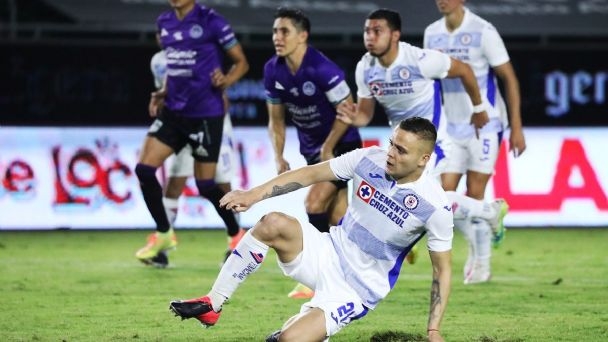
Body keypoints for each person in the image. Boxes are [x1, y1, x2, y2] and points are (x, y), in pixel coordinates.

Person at [169, 117, 453, 342]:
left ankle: (306, 329)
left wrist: (433, 331)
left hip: (357, 288)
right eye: (392, 143)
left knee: (290, 339)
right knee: (272, 223)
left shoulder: (434, 207)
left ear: (423, 159)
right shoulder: (370, 159)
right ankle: (213, 303)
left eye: (401, 150)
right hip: (328, 250)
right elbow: (310, 174)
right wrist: (254, 194)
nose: (391, 153)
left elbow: (442, 271)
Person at [336, 8, 508, 284]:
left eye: (377, 30)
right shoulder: (365, 68)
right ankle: (485, 213)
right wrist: (353, 117)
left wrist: (478, 107)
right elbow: (366, 114)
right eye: (367, 30)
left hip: (434, 144)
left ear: (395, 35)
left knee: (434, 202)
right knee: (422, 203)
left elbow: (463, 69)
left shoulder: (419, 59)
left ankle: (487, 213)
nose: (370, 36)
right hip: (402, 147)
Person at [134, 0, 249, 265]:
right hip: (174, 113)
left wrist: (227, 81)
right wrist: (163, 92)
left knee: (207, 185)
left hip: (206, 116)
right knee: (144, 170)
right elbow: (174, 65)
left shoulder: (212, 21)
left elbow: (241, 62)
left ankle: (236, 234)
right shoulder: (164, 22)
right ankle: (164, 234)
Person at [424, 0, 526, 284]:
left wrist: (516, 125)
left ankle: (481, 263)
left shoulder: (483, 31)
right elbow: (433, 80)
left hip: (486, 123)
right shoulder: (431, 33)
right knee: (442, 198)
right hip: (451, 126)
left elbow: (509, 77)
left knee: (474, 191)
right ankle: (489, 218)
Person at [264, 7, 363, 298]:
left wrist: (330, 146)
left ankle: (315, 277)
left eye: (284, 31)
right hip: (314, 152)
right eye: (274, 31)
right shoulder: (273, 70)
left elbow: (348, 111)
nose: (277, 37)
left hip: (342, 146)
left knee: (314, 203)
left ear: (302, 36)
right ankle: (359, 266)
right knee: (337, 219)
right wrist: (278, 155)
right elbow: (276, 119)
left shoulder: (322, 69)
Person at [149, 45, 244, 268]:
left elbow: (222, 98)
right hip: (181, 128)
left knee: (222, 187)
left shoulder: (201, 55)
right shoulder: (158, 61)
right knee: (173, 186)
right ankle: (162, 248)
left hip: (212, 128)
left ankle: (236, 247)